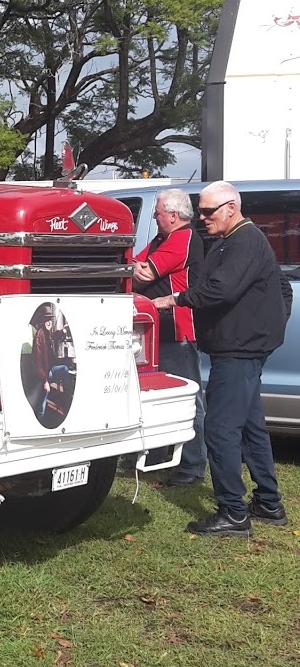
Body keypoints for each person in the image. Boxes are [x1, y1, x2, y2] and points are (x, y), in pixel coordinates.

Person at [153, 181, 291, 538]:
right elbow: (281, 288)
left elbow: (221, 288)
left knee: (220, 429)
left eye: (208, 211)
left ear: (231, 207)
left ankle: (233, 511)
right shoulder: (232, 241)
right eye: (199, 211)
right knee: (250, 427)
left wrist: (174, 300)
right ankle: (268, 503)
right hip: (242, 347)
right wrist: (267, 329)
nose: (201, 217)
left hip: (239, 350)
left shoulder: (245, 240)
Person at [132, 188, 207, 485]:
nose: (154, 216)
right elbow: (131, 263)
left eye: (158, 212)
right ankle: (156, 457)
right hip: (153, 331)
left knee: (189, 398)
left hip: (177, 331)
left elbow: (145, 272)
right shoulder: (162, 239)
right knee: (155, 396)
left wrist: (135, 267)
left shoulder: (184, 237)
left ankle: (193, 465)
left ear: (174, 216)